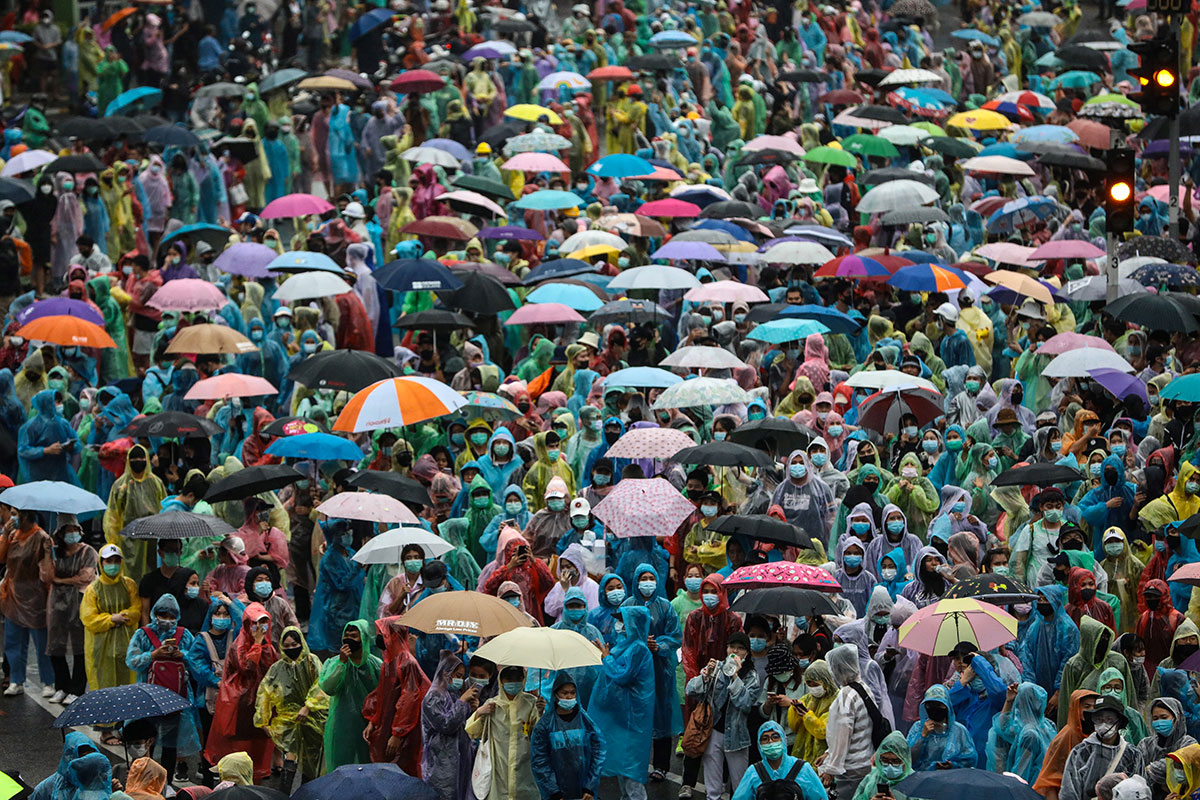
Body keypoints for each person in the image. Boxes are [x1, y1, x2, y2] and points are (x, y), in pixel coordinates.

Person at [204, 603, 277, 781]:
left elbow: (272, 670)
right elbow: (248, 667)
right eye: (255, 623)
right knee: (239, 755)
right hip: (240, 708)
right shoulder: (239, 646)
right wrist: (257, 644)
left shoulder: (270, 647)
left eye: (264, 622)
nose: (260, 628)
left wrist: (262, 645)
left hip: (261, 707)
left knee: (258, 755)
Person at [589, 605, 655, 800]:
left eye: (623, 621)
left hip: (633, 718)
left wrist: (607, 658)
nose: (618, 625)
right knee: (622, 767)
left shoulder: (638, 649)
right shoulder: (625, 646)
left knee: (631, 771)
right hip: (623, 716)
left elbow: (622, 675)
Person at [254, 626, 327, 788]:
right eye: (286, 646)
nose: (291, 649)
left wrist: (308, 706)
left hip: (313, 719)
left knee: (311, 763)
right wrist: (262, 721)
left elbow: (321, 685)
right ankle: (283, 795)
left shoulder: (311, 661)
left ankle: (308, 793)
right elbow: (264, 693)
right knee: (290, 757)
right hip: (289, 721)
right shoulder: (277, 668)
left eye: (294, 644)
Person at [465, 664, 543, 800]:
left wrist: (541, 713)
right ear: (501, 681)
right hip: (498, 770)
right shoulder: (493, 704)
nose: (513, 682)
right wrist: (479, 712)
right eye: (509, 678)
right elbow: (472, 731)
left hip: (524, 768)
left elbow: (539, 735)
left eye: (517, 678)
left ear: (523, 680)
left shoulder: (531, 704)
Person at [363, 617, 431, 773]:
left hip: (403, 731)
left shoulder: (407, 663)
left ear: (393, 634)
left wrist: (398, 733)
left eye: (382, 633)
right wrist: (373, 721)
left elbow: (409, 699)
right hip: (387, 725)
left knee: (402, 769)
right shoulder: (388, 662)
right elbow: (381, 695)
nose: (379, 637)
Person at [1, 507, 55, 697]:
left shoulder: (41, 537)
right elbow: (1, 557)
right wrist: (6, 534)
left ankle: (49, 681)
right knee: (13, 641)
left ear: (25, 516)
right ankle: (16, 680)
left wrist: (48, 553)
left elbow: (48, 573)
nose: (13, 517)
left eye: (16, 513)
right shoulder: (12, 535)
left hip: (36, 597)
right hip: (13, 596)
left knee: (42, 643)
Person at [530, 671, 607, 800]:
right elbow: (539, 760)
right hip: (557, 793)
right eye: (565, 693)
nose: (569, 697)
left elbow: (598, 752)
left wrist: (590, 786)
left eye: (572, 693)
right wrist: (554, 792)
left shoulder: (586, 721)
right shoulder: (545, 725)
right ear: (555, 694)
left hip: (584, 792)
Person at [317, 619, 381, 772]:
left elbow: (383, 696)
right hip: (341, 725)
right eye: (347, 635)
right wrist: (341, 663)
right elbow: (328, 687)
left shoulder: (376, 665)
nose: (349, 639)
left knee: (367, 768)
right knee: (340, 768)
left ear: (364, 638)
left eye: (354, 636)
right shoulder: (334, 662)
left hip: (368, 726)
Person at [1058, 696, 1144, 800]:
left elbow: (1140, 790)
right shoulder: (1080, 752)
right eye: (1099, 719)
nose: (1104, 724)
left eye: (1110, 720)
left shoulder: (1133, 754)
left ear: (1119, 722)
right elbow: (1069, 791)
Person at [421, 652, 479, 800]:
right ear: (446, 673)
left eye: (461, 676)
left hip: (460, 757)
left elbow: (463, 724)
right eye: (458, 675)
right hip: (442, 761)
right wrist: (462, 702)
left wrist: (471, 708)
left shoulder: (452, 694)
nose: (460, 680)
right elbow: (446, 725)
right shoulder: (432, 697)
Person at [732, 720, 827, 800]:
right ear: (759, 745)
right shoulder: (754, 771)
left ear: (783, 740)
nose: (770, 741)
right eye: (765, 738)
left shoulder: (802, 768)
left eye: (775, 737)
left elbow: (820, 797)